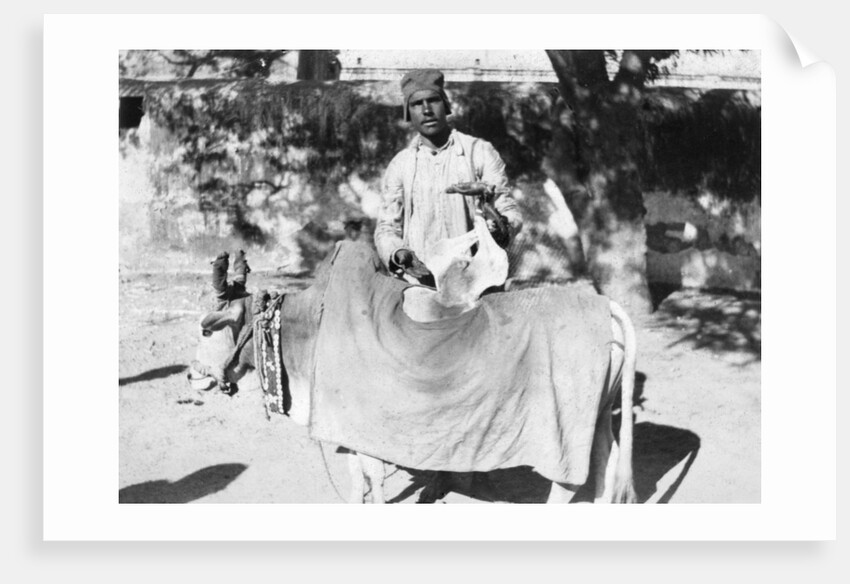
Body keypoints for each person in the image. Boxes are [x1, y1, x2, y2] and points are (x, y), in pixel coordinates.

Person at [374, 69, 522, 286]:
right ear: (408, 112)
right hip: (421, 284)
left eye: (433, 100)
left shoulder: (479, 152)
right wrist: (398, 253)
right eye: (417, 104)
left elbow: (508, 209)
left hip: (475, 282)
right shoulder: (401, 164)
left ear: (445, 104)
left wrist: (501, 226)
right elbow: (387, 228)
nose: (426, 110)